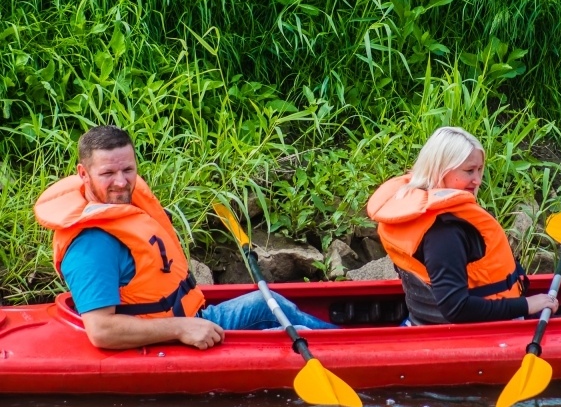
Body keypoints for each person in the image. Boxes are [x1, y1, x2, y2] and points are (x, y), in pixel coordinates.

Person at [34, 125, 336, 351]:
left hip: (192, 317)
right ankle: (346, 348)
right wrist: (181, 328)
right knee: (283, 323)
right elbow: (102, 331)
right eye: (108, 173)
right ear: (83, 174)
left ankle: (342, 337)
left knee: (267, 304)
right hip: (165, 341)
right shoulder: (92, 244)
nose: (121, 182)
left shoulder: (123, 206)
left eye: (128, 169)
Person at [367, 126, 558, 325]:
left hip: (426, 321)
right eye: (469, 171)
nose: (477, 180)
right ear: (440, 171)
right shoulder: (445, 232)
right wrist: (526, 305)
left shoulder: (413, 211)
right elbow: (456, 308)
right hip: (470, 331)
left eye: (480, 170)